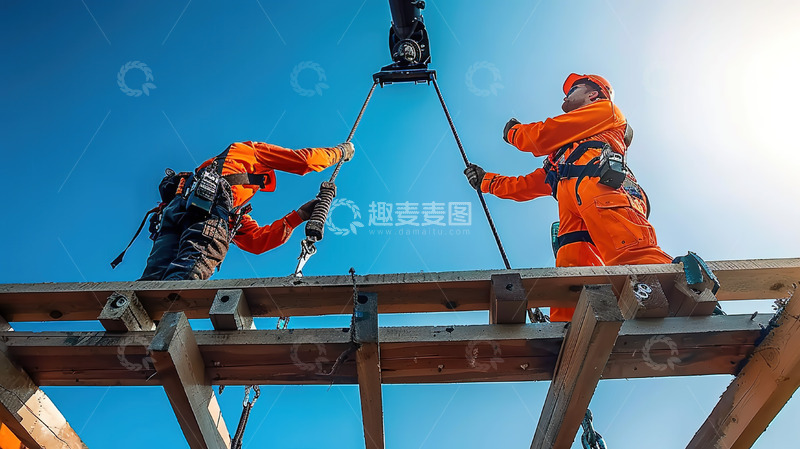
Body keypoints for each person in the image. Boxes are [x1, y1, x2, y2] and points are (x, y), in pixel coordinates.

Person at [464, 73, 671, 321]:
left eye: (575, 88)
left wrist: (515, 133)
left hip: (604, 189)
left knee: (629, 251)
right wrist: (487, 181)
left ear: (593, 94)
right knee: (572, 272)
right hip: (580, 206)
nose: (566, 94)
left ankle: (673, 298)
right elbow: (526, 185)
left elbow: (543, 135)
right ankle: (566, 328)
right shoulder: (563, 157)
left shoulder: (606, 111)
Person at [139, 140, 354, 281]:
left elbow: (256, 241)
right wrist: (341, 152)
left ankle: (138, 338)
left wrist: (298, 216)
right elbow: (305, 161)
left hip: (174, 215)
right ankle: (163, 336)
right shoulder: (247, 151)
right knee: (187, 276)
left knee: (151, 285)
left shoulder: (228, 209)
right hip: (208, 210)